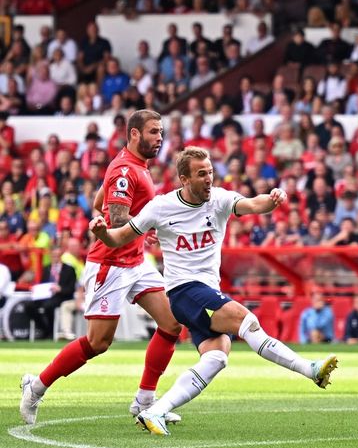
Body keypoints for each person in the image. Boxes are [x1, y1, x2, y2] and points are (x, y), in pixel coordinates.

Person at [89, 147, 338, 435]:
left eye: (210, 172)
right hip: (183, 292)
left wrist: (272, 200)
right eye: (201, 174)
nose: (208, 179)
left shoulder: (218, 199)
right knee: (247, 321)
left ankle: (155, 411)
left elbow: (253, 205)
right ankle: (311, 370)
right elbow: (120, 236)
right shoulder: (161, 206)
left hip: (205, 291)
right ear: (184, 179)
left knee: (217, 356)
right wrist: (103, 233)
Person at [21, 110, 183, 426]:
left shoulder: (137, 166)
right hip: (110, 264)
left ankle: (145, 401)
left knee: (172, 323)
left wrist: (140, 230)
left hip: (135, 261)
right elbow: (119, 218)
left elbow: (100, 203)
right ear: (134, 134)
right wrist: (151, 226)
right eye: (153, 131)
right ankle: (36, 386)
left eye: (161, 131)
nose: (159, 137)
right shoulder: (125, 169)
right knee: (98, 343)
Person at [23, 246, 77, 337]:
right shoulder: (46, 268)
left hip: (61, 296)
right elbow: (43, 284)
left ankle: (51, 331)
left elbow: (71, 289)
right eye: (53, 256)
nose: (55, 258)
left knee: (48, 305)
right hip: (46, 296)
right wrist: (36, 290)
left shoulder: (69, 269)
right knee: (28, 305)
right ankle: (44, 328)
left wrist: (60, 289)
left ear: (61, 256)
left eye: (57, 255)